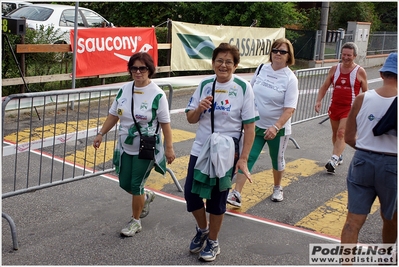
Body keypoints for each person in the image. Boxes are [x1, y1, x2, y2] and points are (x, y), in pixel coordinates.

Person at [184, 43, 257, 262]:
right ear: (213, 62)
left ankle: (213, 242)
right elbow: (190, 118)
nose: (223, 65)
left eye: (228, 62)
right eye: (219, 61)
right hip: (201, 149)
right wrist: (199, 108)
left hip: (226, 152)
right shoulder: (205, 85)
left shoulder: (243, 88)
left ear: (235, 65)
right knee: (191, 194)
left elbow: (250, 127)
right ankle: (202, 229)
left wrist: (243, 158)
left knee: (217, 199)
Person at [92, 52, 175, 237]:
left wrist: (169, 148)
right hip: (124, 146)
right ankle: (145, 197)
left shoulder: (157, 95)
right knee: (125, 183)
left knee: (136, 184)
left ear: (150, 70)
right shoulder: (124, 89)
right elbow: (114, 115)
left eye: (142, 68)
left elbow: (165, 125)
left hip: (145, 148)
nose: (138, 72)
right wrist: (100, 133)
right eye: (134, 68)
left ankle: (135, 221)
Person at [227, 37, 299, 206]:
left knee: (277, 159)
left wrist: (276, 126)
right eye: (275, 50)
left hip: (277, 129)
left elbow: (289, 109)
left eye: (282, 52)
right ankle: (236, 193)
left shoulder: (290, 79)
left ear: (289, 56)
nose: (278, 54)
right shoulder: (262, 69)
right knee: (248, 157)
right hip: (256, 125)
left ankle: (277, 187)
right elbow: (249, 92)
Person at [340, 52, 397, 246]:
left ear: (382, 74)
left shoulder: (362, 98)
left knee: (352, 222)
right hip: (393, 164)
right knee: (390, 218)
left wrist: (366, 148)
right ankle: (386, 258)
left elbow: (348, 137)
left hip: (362, 160)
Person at [314, 42, 368, 174]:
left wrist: (365, 108)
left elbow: (366, 92)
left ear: (354, 56)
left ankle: (333, 159)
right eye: (344, 54)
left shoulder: (360, 71)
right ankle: (339, 154)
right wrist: (318, 100)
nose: (346, 57)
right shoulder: (334, 69)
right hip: (335, 106)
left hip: (350, 108)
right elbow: (325, 86)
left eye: (349, 55)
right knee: (335, 133)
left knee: (341, 133)